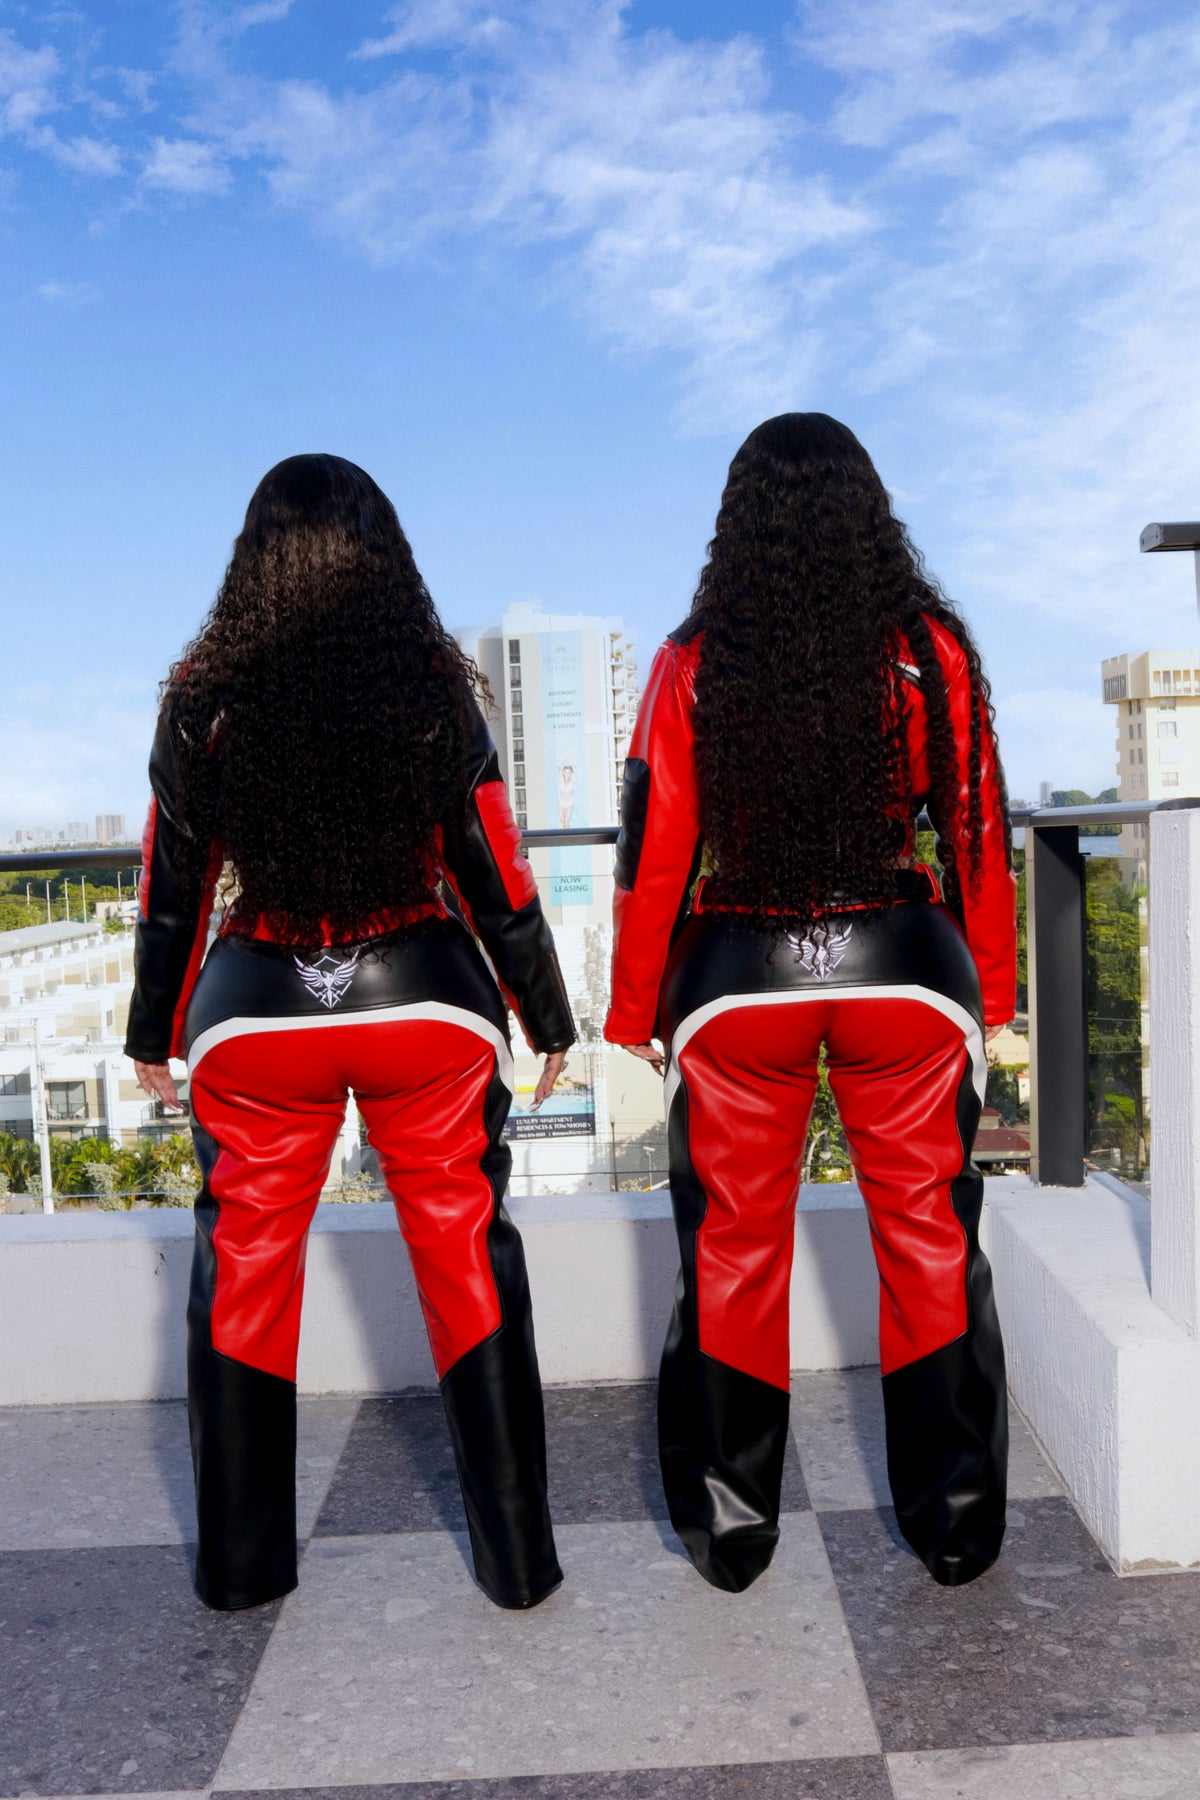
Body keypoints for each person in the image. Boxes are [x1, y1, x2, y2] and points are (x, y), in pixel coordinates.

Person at [124, 453, 575, 1614]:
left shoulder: (202, 695)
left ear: (253, 558)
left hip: (254, 1020)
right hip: (419, 1004)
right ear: (384, 552)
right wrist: (546, 1013)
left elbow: (171, 891)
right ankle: (519, 1566)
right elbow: (493, 865)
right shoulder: (425, 681)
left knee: (243, 1272)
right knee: (465, 1256)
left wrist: (152, 1035)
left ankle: (238, 1572)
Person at [605, 413, 1016, 1594]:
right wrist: (991, 988)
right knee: (930, 1241)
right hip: (904, 972)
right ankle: (956, 1529)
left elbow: (653, 852)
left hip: (742, 984)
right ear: (868, 512)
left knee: (733, 1249)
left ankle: (731, 1534)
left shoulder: (693, 661)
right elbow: (976, 829)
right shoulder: (930, 649)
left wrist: (634, 1014)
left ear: (738, 523)